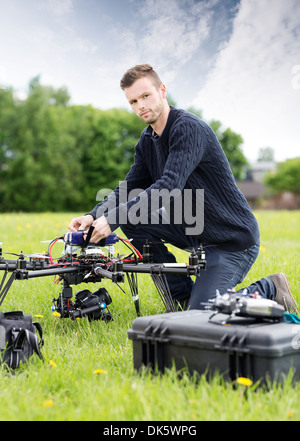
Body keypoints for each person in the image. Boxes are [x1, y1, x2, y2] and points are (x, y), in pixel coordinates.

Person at [68, 64, 297, 312]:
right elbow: (128, 188)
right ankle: (179, 298)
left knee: (202, 316)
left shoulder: (188, 128)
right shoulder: (147, 140)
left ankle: (271, 287)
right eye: (133, 101)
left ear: (162, 90)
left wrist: (113, 218)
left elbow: (168, 187)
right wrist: (94, 215)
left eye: (146, 96)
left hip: (230, 239)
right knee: (132, 219)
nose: (141, 105)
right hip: (194, 227)